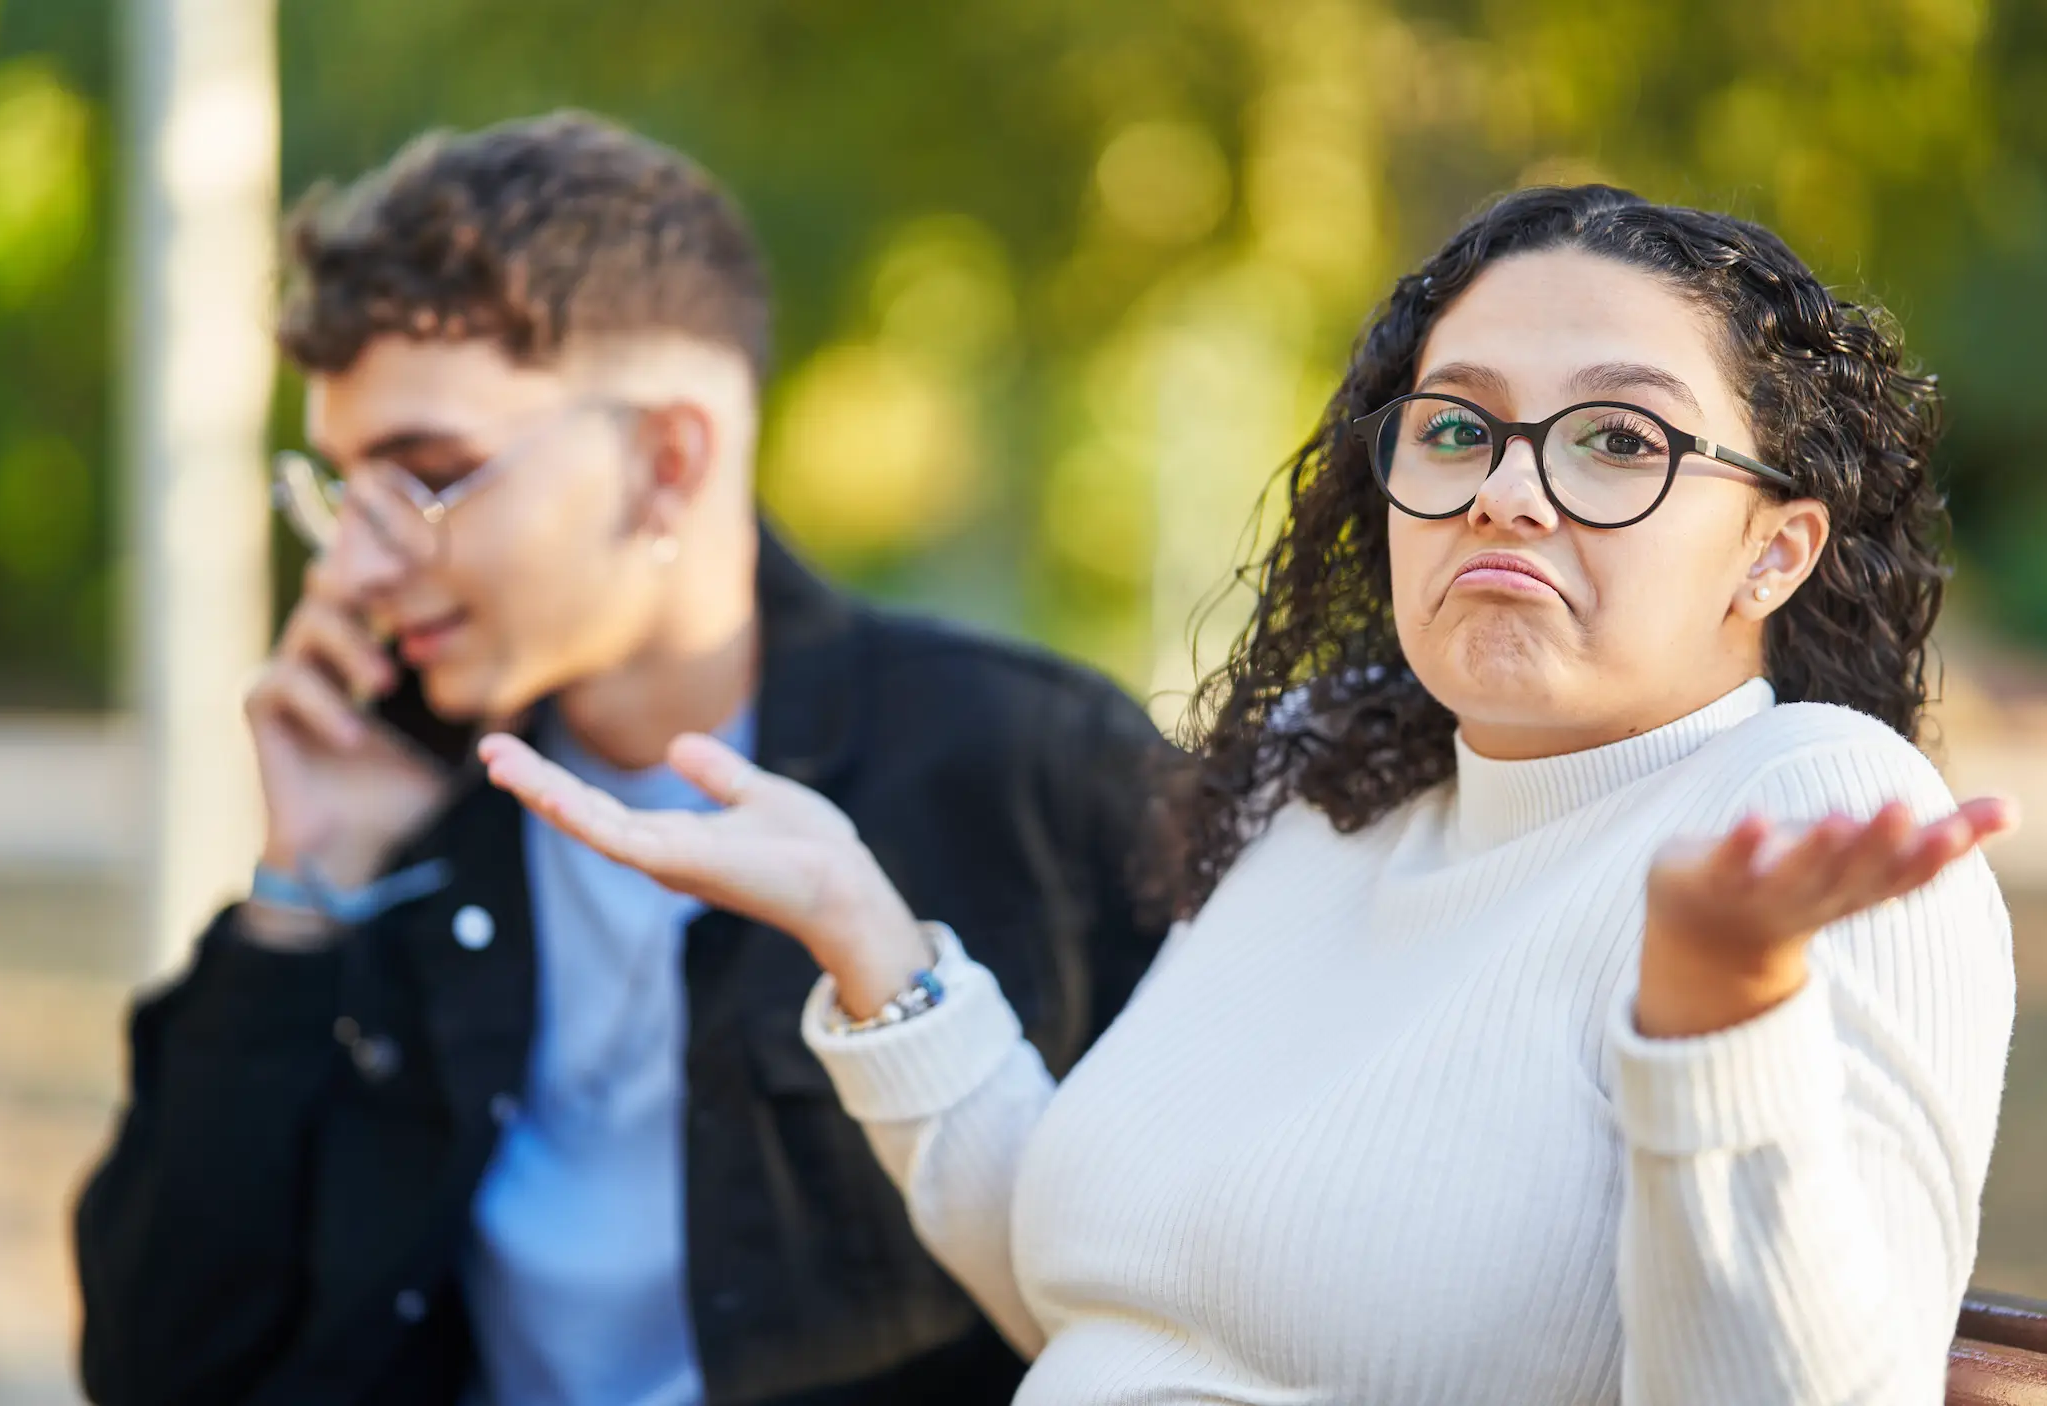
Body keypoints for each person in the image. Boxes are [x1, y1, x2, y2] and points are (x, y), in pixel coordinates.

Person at [483, 184, 2020, 1404]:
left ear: (1775, 548)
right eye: (1459, 425)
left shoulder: (1808, 811)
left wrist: (1719, 1015)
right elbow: (1105, 1305)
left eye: (1619, 439)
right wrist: (864, 930)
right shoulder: (1332, 781)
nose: (1504, 489)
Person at [75, 111, 1169, 1406]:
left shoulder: (1039, 779)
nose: (356, 564)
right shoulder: (405, 803)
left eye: (425, 479)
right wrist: (302, 896)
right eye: (344, 493)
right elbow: (160, 1368)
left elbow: (1190, 1313)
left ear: (666, 462)